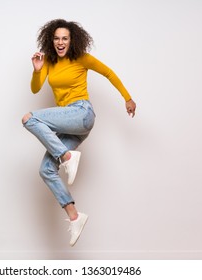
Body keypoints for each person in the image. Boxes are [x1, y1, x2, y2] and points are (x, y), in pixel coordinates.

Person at [22, 19, 136, 246]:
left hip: (81, 113)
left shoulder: (81, 58)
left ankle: (66, 156)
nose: (60, 42)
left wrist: (127, 98)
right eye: (56, 38)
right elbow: (35, 89)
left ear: (72, 40)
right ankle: (75, 216)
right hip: (70, 125)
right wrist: (36, 71)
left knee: (29, 118)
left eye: (65, 38)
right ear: (50, 40)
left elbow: (109, 73)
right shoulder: (49, 63)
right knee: (45, 170)